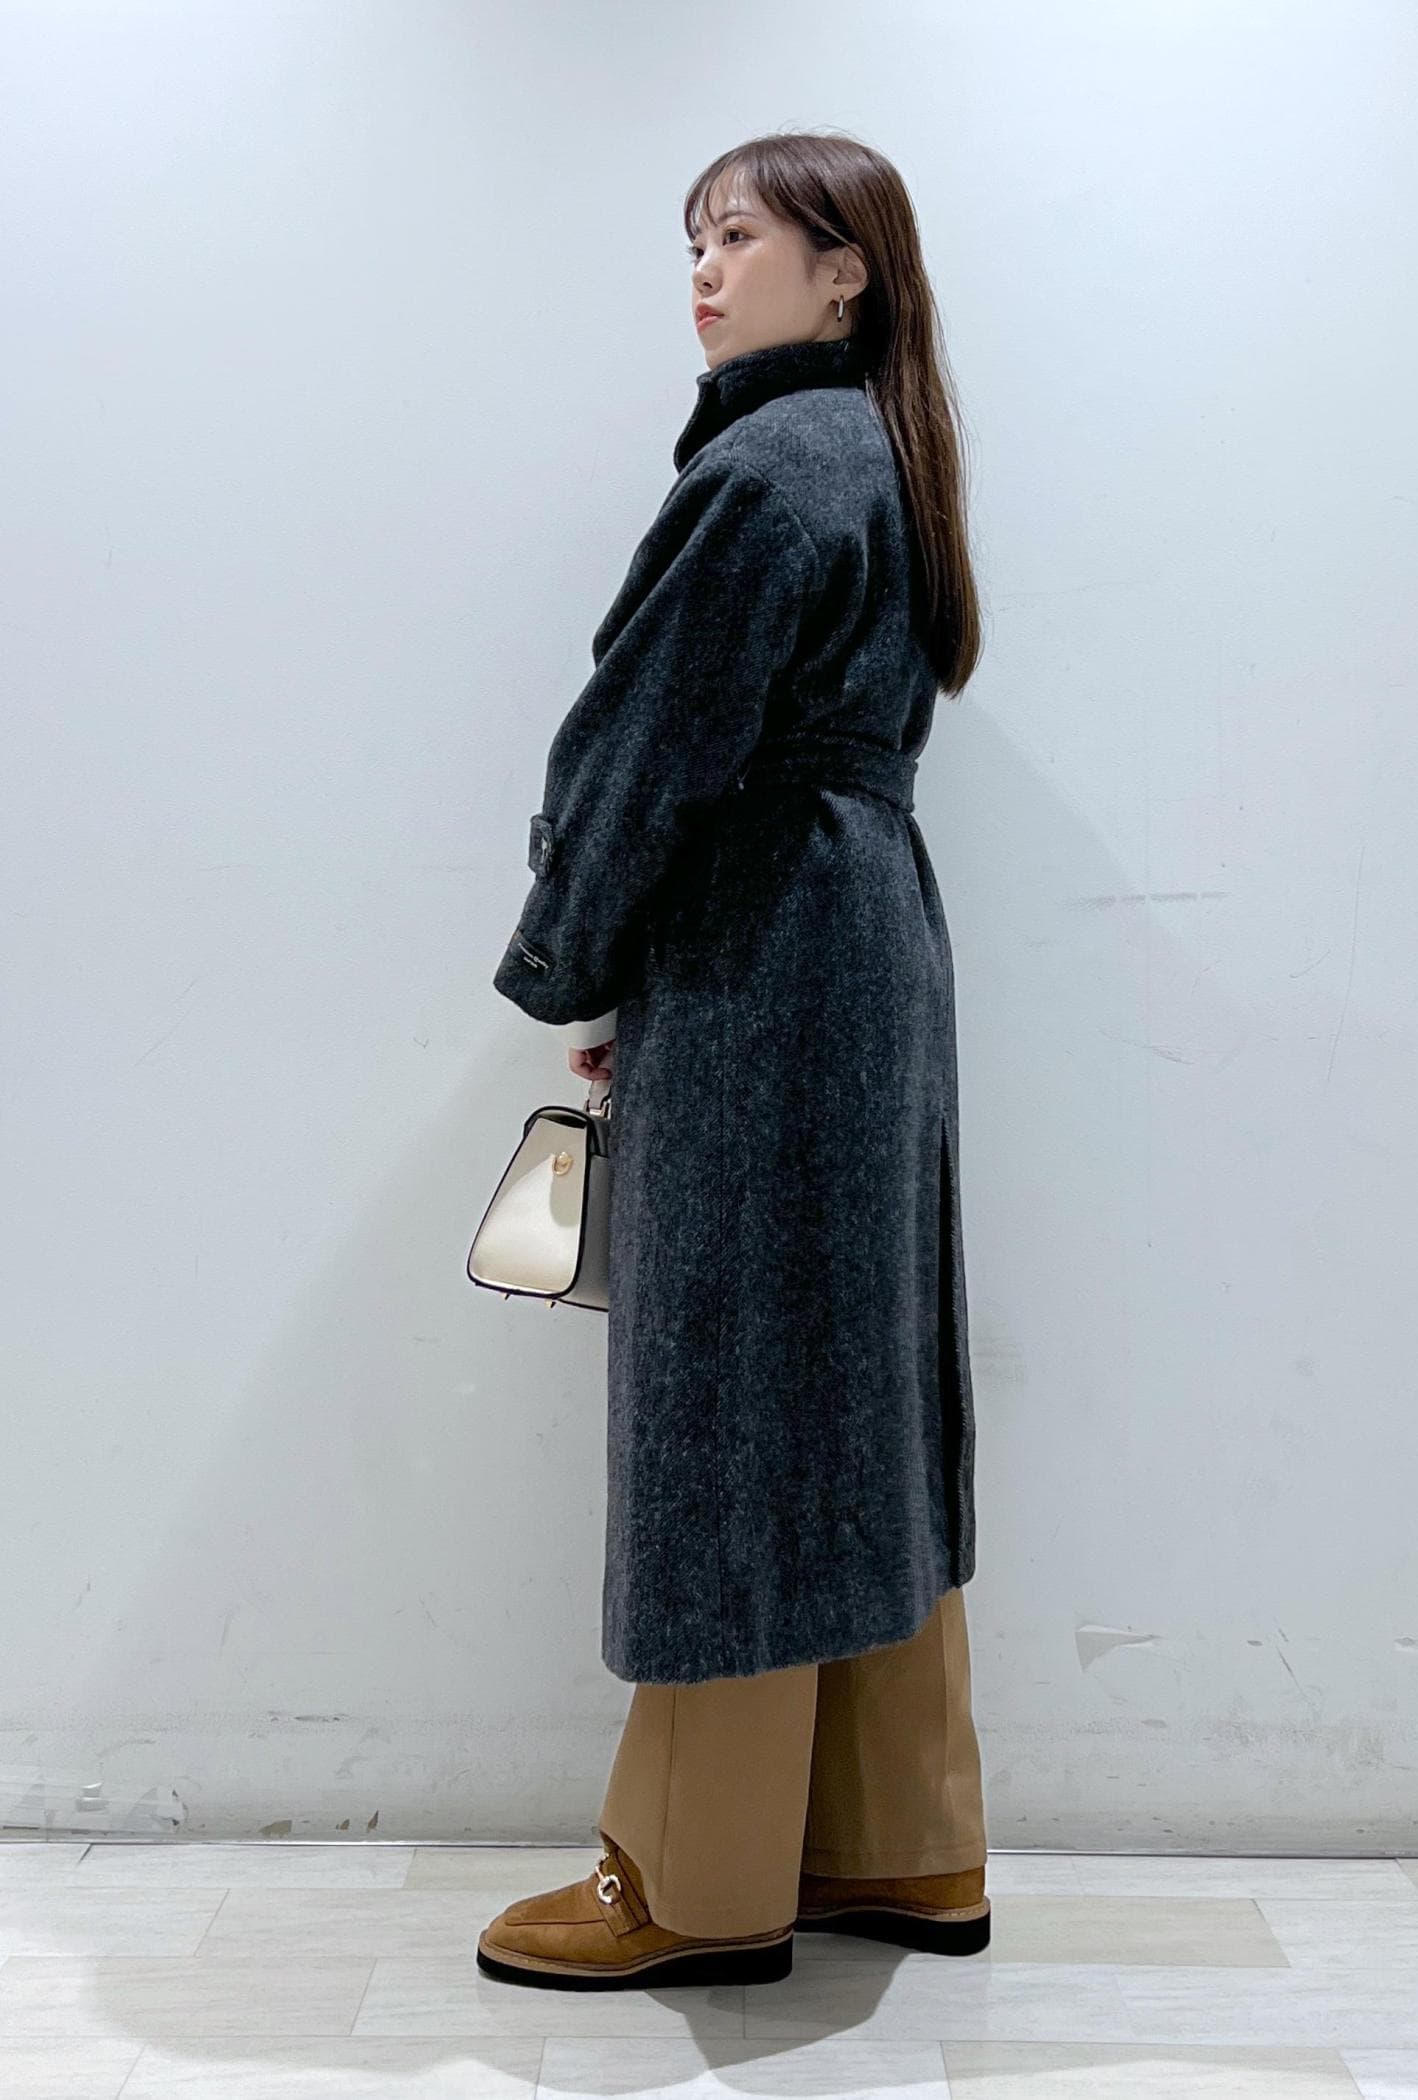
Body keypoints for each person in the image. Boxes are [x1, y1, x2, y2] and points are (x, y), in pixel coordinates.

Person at [479, 129, 988, 1991]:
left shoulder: (769, 469)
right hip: (866, 945)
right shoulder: (884, 455)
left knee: (732, 1400)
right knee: (855, 1381)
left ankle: (695, 1881)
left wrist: (579, 955)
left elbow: (645, 745)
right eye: (693, 242)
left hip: (765, 951)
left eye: (742, 236)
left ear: (847, 270)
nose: (703, 271)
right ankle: (901, 1841)